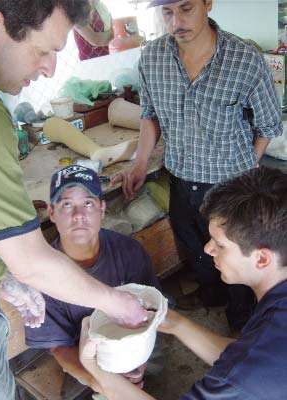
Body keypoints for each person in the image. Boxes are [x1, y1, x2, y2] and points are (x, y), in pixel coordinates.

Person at [0, 2, 147, 399]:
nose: (50, 69)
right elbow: (34, 263)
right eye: (44, 50)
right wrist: (118, 304)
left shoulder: (126, 254)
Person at [111, 0, 282, 329]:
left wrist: (247, 173)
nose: (176, 22)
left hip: (230, 187)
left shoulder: (244, 60)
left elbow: (269, 125)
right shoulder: (153, 57)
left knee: (237, 260)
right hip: (180, 179)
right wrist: (139, 163)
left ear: (207, 3)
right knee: (197, 250)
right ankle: (210, 297)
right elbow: (149, 116)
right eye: (167, 12)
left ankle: (240, 325)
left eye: (186, 8)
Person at [81, 166, 287, 399]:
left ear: (261, 258)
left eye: (220, 245)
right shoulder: (276, 306)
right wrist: (174, 322)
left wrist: (97, 370)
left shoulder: (240, 377)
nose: (208, 249)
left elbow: (243, 369)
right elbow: (244, 356)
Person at [24, 165, 161, 396]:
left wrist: (138, 360)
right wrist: (101, 382)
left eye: (88, 203)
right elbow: (58, 346)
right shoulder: (42, 276)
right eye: (67, 204)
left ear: (102, 209)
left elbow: (153, 312)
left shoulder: (128, 251)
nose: (79, 215)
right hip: (82, 357)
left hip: (134, 345)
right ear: (51, 213)